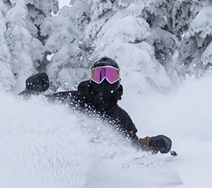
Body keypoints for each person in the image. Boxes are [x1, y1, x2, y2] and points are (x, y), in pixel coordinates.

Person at [22, 57, 172, 154]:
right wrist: (30, 92)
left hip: (101, 176)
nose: (105, 81)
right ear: (92, 79)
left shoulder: (121, 117)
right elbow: (31, 108)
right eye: (99, 76)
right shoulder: (72, 100)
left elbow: (132, 146)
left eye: (111, 76)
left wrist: (151, 143)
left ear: (118, 80)